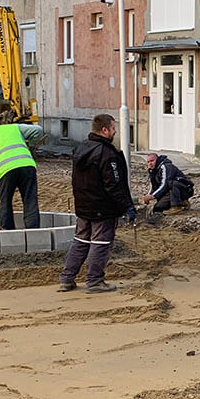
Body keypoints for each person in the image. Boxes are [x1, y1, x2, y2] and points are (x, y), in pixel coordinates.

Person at [59, 114, 136, 294]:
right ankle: (94, 281)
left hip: (84, 206)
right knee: (100, 243)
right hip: (102, 207)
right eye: (113, 128)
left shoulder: (81, 148)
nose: (115, 131)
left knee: (80, 241)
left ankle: (67, 279)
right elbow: (114, 185)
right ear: (105, 130)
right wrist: (126, 207)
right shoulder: (107, 154)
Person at [0, 116, 45, 230]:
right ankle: (33, 230)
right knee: (30, 200)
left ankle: (7, 231)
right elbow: (38, 130)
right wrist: (31, 145)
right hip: (26, 165)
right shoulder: (13, 128)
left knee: (5, 203)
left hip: (4, 172)